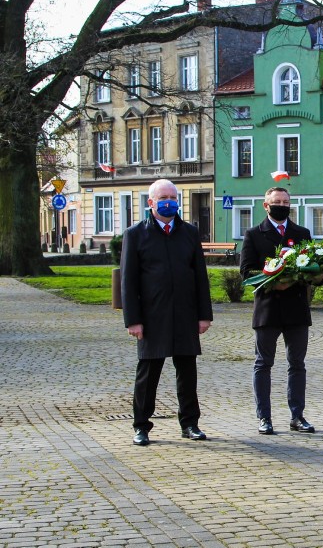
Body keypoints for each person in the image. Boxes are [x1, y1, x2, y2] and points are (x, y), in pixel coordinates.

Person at [121, 179, 213, 446]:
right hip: (152, 316)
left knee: (187, 372)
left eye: (173, 197)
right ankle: (141, 426)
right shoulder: (136, 234)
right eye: (163, 197)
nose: (169, 201)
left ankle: (190, 423)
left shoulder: (189, 233)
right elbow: (128, 281)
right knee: (148, 374)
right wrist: (133, 320)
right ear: (151, 202)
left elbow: (200, 277)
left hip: (185, 313)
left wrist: (204, 314)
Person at [240, 187, 316, 435]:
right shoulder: (253, 234)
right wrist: (273, 279)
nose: (282, 205)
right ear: (266, 205)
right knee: (263, 363)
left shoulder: (301, 233)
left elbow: (311, 267)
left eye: (286, 202)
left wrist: (321, 274)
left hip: (296, 310)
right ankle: (264, 418)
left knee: (297, 364)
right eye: (277, 202)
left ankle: (297, 416)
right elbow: (247, 273)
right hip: (268, 309)